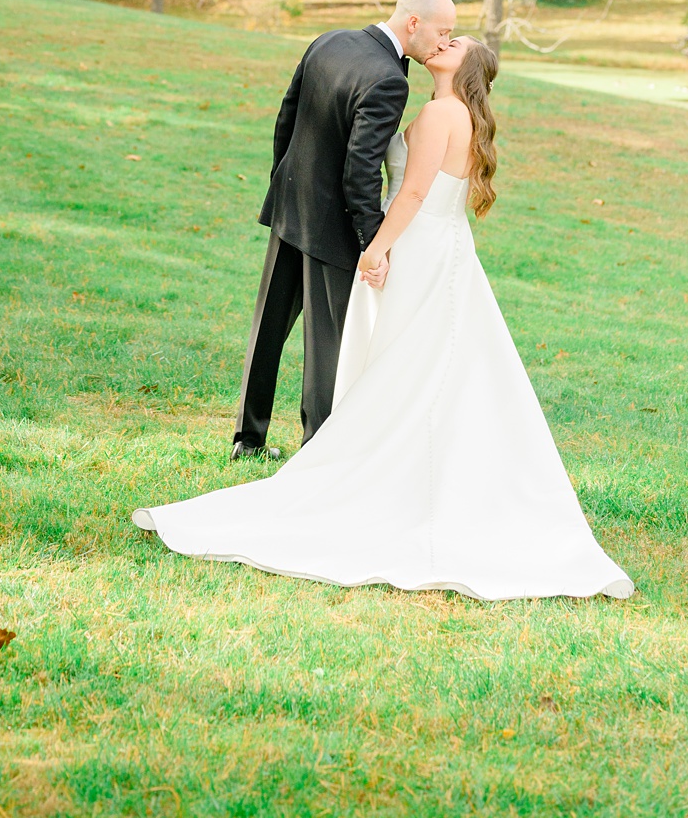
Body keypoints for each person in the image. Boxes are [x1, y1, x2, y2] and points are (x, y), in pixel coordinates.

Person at [136, 35, 633, 600]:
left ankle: (392, 470)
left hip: (421, 247)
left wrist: (377, 247)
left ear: (467, 65)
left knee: (408, 360)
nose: (444, 42)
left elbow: (416, 190)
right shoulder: (456, 112)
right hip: (441, 248)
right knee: (420, 361)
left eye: (456, 42)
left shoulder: (442, 112)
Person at [231, 0, 452, 459]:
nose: (443, 42)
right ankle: (316, 451)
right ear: (414, 22)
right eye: (442, 30)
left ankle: (247, 440)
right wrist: (372, 241)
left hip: (291, 206)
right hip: (332, 226)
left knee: (266, 328)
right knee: (327, 344)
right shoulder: (391, 80)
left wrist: (283, 181)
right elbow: (360, 171)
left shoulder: (329, 40)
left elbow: (285, 118)